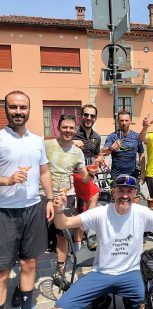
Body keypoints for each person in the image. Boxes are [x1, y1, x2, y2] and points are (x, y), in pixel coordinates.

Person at [53, 174, 153, 309]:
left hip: (131, 274)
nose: (125, 195)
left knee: (146, 304)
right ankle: (102, 299)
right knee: (60, 306)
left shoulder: (142, 212)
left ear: (135, 193)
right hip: (101, 273)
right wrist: (59, 211)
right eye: (121, 190)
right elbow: (63, 223)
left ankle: (112, 300)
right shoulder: (101, 213)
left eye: (129, 191)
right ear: (113, 192)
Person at [0, 91, 54, 309]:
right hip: (4, 211)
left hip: (33, 208)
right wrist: (7, 180)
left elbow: (44, 172)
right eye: (13, 107)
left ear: (29, 110)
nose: (18, 112)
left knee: (29, 262)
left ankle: (25, 302)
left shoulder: (37, 140)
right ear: (6, 110)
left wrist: (49, 199)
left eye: (23, 108)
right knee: (2, 270)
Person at [43, 114, 99, 290]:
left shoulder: (77, 152)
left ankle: (59, 272)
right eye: (64, 127)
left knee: (63, 235)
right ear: (58, 128)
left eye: (71, 128)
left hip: (66, 196)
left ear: (75, 130)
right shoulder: (46, 145)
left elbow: (83, 178)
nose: (68, 130)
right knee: (39, 236)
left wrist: (91, 173)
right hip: (43, 196)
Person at [73, 105, 102, 250]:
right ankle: (91, 234)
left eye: (92, 116)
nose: (89, 118)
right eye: (86, 115)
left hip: (90, 174)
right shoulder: (73, 132)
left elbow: (96, 154)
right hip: (75, 175)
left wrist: (100, 158)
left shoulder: (96, 137)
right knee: (95, 194)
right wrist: (72, 142)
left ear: (95, 118)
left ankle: (76, 245)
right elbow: (60, 143)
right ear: (81, 116)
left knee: (82, 210)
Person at [102, 110, 145, 202]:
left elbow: (141, 154)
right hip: (116, 175)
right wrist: (111, 148)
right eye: (121, 121)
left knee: (135, 201)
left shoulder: (136, 137)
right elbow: (104, 153)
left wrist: (143, 172)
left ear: (130, 121)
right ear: (118, 121)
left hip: (133, 174)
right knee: (117, 202)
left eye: (126, 120)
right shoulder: (112, 137)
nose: (124, 123)